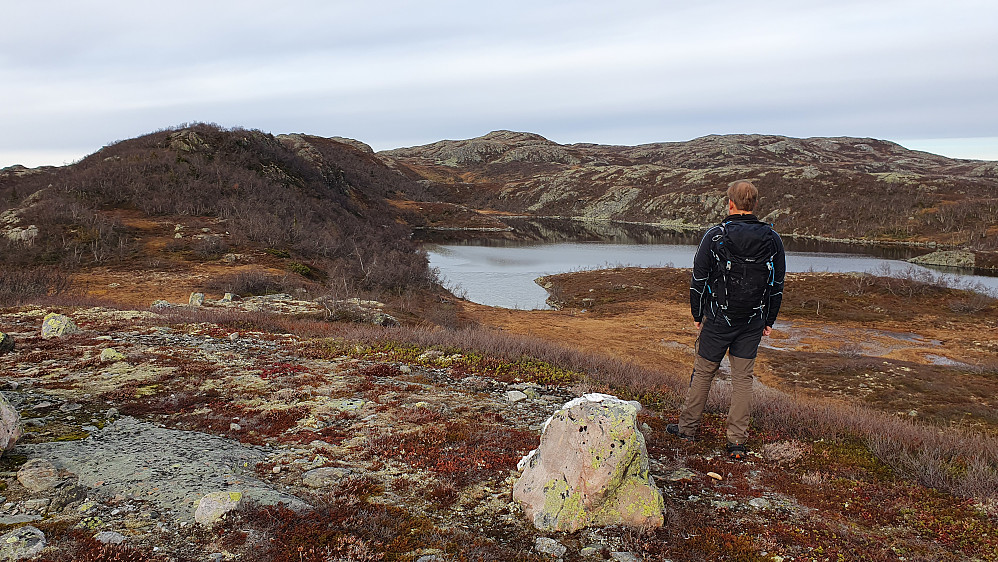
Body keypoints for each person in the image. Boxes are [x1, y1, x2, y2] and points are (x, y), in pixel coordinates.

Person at [667, 180, 785, 460]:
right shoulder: (772, 238)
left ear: (730, 203)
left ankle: (687, 430)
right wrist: (770, 319)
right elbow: (777, 283)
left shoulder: (714, 236)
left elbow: (698, 279)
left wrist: (698, 314)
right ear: (754, 205)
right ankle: (736, 442)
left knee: (704, 372)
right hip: (753, 320)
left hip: (718, 318)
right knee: (743, 379)